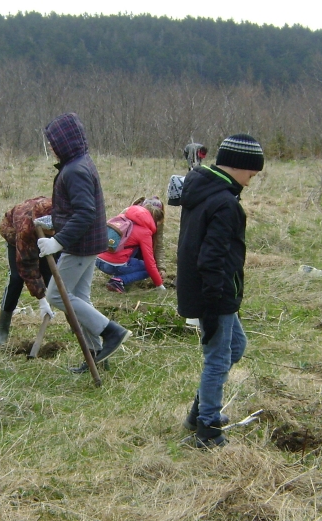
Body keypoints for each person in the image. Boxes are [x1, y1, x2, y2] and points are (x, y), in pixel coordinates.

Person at [177, 134, 264, 447]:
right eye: (253, 172)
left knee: (235, 347)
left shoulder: (209, 192)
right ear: (239, 166)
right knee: (217, 358)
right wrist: (213, 305)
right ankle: (208, 429)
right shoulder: (224, 203)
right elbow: (211, 259)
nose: (254, 178)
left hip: (214, 292)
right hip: (214, 293)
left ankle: (199, 412)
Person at [37, 113, 130, 372]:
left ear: (65, 143)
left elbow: (85, 212)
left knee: (57, 295)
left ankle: (111, 332)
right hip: (89, 243)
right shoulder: (79, 163)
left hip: (79, 245)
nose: (51, 148)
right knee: (79, 298)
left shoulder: (75, 170)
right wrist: (53, 220)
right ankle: (97, 354)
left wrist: (58, 241)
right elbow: (76, 208)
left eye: (53, 143)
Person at [0, 196, 57, 345]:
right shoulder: (25, 230)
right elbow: (27, 265)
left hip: (47, 237)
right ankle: (2, 329)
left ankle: (75, 321)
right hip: (15, 230)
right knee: (16, 279)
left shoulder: (62, 213)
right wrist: (42, 300)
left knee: (51, 276)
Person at [95, 197, 166, 293]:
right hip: (112, 265)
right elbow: (150, 264)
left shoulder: (124, 215)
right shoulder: (145, 232)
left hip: (97, 259)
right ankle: (119, 280)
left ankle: (119, 273)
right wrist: (159, 284)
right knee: (147, 269)